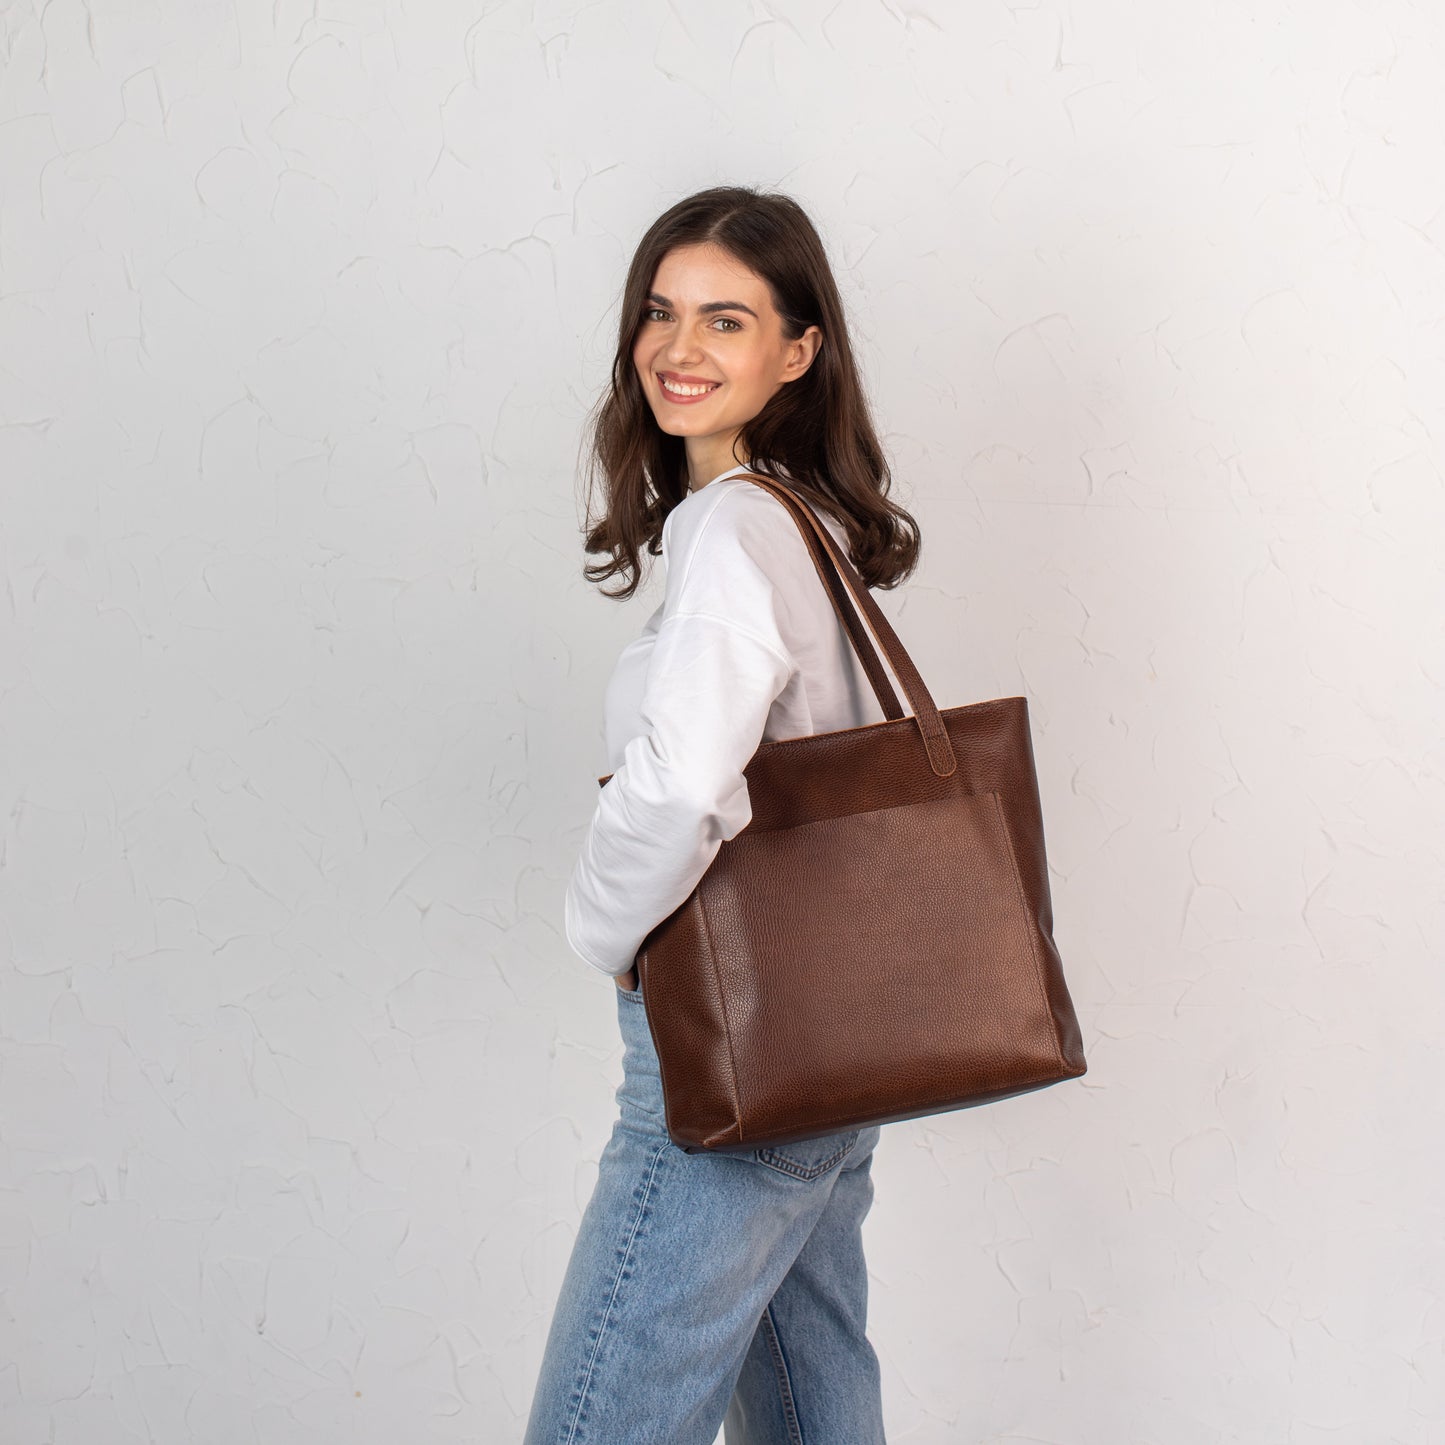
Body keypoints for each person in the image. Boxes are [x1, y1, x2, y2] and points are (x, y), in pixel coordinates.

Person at [524, 184, 922, 1445]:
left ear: (796, 353)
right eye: (659, 312)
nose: (677, 350)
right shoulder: (802, 525)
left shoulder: (731, 531)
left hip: (731, 1047)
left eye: (726, 320)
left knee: (601, 1420)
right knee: (812, 1400)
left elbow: (689, 780)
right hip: (829, 1041)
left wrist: (601, 932)